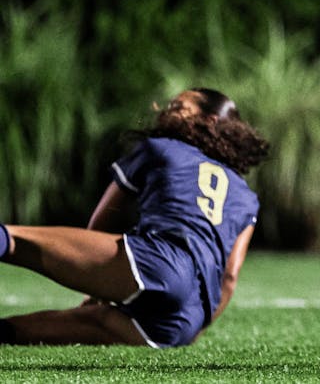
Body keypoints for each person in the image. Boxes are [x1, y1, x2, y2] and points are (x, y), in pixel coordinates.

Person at [0, 88, 269, 348]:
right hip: (187, 318)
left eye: (178, 108)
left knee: (14, 240)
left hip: (158, 262)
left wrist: (97, 285)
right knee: (87, 322)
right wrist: (198, 324)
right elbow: (230, 277)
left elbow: (101, 223)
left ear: (209, 121)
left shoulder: (161, 149)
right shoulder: (247, 196)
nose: (165, 112)